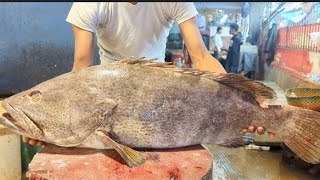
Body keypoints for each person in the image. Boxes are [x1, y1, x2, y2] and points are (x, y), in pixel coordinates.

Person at [23, 2, 272, 147]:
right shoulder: (89, 3)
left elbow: (201, 56)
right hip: (107, 89)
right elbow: (82, 68)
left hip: (159, 85)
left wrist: (246, 99)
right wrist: (55, 124)